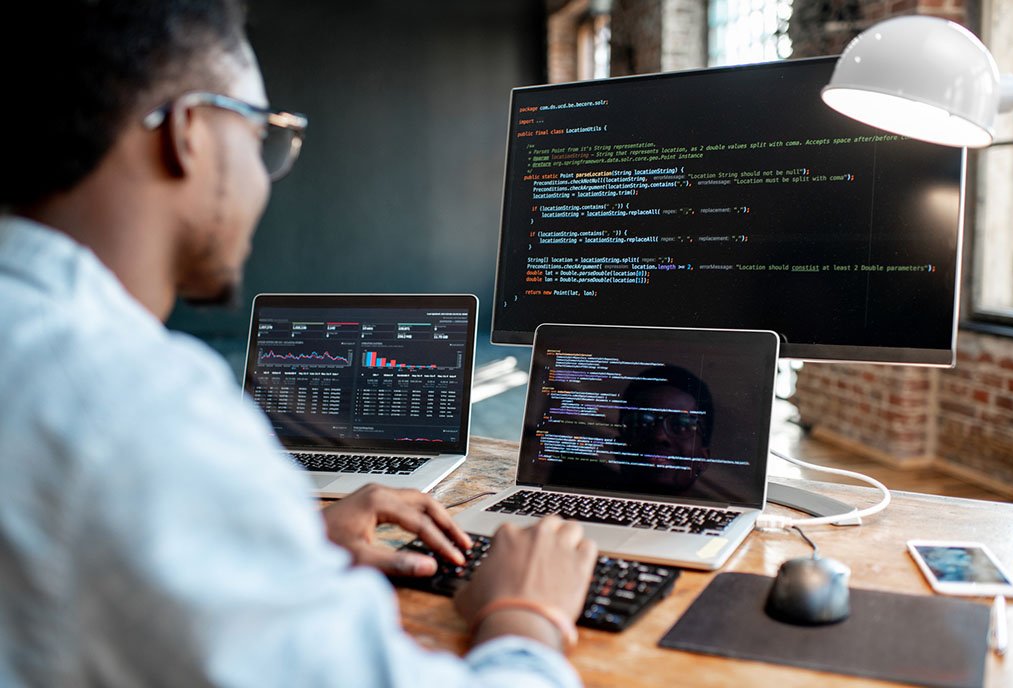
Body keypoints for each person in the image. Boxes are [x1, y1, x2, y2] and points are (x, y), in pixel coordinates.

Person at [0, 3, 596, 686]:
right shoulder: (141, 408)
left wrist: (287, 546)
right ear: (188, 132)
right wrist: (528, 616)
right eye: (263, 136)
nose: (265, 178)